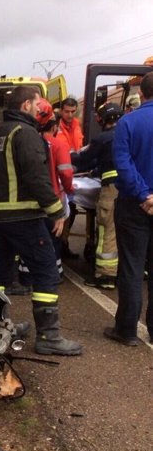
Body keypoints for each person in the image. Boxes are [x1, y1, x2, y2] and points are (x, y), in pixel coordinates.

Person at [0, 86, 82, 356]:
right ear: (26, 105)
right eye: (38, 104)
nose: (41, 109)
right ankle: (49, 336)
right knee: (47, 270)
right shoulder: (25, 134)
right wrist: (56, 210)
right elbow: (37, 177)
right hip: (24, 216)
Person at [107, 72, 153, 346]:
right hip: (144, 201)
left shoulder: (128, 122)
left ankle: (126, 330)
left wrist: (144, 195)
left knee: (132, 268)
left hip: (134, 205)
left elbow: (123, 166)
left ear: (142, 92)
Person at [18, 100, 73, 284]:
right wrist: (71, 189)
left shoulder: (27, 140)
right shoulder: (58, 145)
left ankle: (26, 275)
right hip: (53, 198)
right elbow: (66, 172)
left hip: (30, 199)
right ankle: (54, 274)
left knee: (31, 240)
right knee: (53, 239)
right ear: (55, 125)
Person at [72, 103, 123, 290]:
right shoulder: (129, 133)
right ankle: (132, 269)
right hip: (134, 189)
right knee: (126, 230)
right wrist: (96, 170)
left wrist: (67, 156)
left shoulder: (103, 138)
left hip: (112, 190)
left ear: (102, 119)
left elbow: (83, 158)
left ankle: (106, 275)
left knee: (107, 230)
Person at [56, 96, 84, 259]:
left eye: (73, 112)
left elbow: (78, 147)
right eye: (67, 111)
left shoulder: (76, 126)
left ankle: (63, 242)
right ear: (61, 111)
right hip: (61, 172)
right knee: (63, 210)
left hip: (75, 170)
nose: (70, 115)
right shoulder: (56, 127)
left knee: (71, 209)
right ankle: (59, 244)